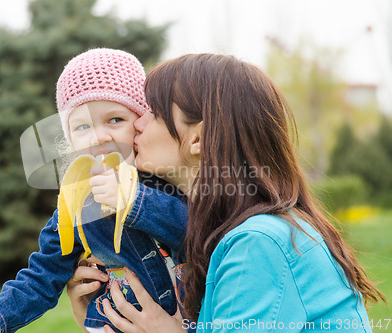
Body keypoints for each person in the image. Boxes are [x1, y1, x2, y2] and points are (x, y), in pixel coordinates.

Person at [68, 53, 386, 332]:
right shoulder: (231, 233)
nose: (137, 123)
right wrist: (100, 319)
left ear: (198, 140)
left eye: (153, 111)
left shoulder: (259, 243)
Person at [0, 48, 189, 333]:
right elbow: (43, 273)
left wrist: (134, 200)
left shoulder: (170, 179)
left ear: (141, 123)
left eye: (115, 120)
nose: (99, 137)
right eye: (82, 126)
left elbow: (196, 233)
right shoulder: (77, 203)